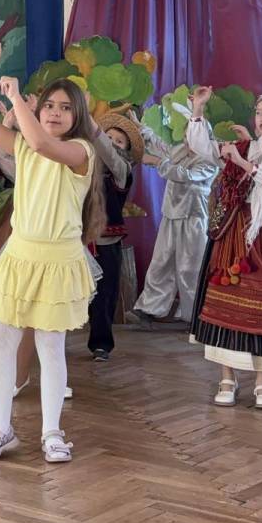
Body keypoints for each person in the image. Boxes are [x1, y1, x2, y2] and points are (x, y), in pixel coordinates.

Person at [0, 44, 105, 465]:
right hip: (20, 257)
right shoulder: (24, 146)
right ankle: (0, 429)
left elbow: (43, 144)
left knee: (50, 345)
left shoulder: (82, 152)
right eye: (49, 105)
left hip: (59, 261)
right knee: (2, 343)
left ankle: (52, 432)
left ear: (77, 116)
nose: (55, 113)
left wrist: (16, 101)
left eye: (65, 107)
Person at [186, 87, 262, 410]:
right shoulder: (245, 147)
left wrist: (243, 162)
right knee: (226, 308)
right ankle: (227, 377)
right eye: (259, 112)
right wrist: (198, 110)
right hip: (233, 239)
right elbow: (204, 148)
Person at [129, 116, 217, 328]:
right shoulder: (180, 151)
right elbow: (162, 148)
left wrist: (157, 162)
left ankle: (195, 316)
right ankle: (149, 310)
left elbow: (185, 175)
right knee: (161, 262)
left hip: (194, 219)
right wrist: (143, 128)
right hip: (171, 215)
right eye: (187, 136)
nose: (189, 141)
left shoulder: (210, 159)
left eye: (194, 136)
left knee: (191, 268)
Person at [85, 111, 142, 361]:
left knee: (104, 294)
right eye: (108, 138)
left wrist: (91, 125)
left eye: (119, 141)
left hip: (105, 241)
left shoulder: (122, 170)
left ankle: (101, 344)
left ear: (126, 150)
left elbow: (108, 153)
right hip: (76, 238)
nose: (111, 143)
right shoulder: (83, 164)